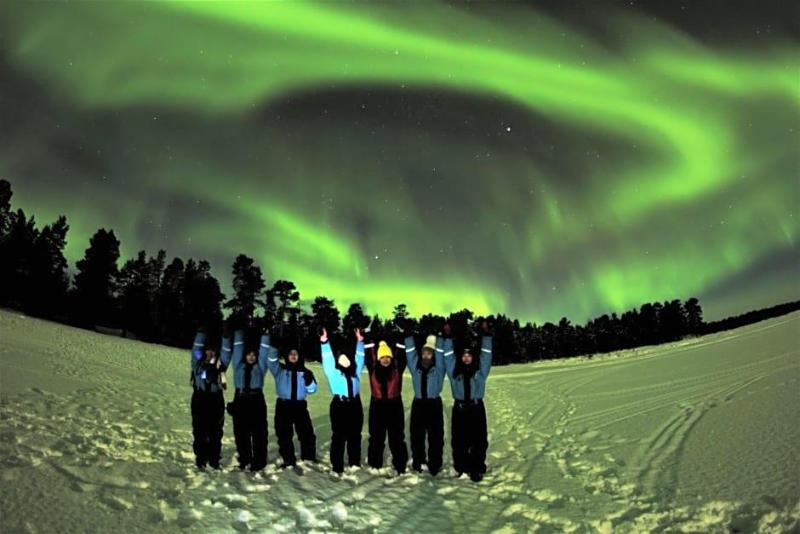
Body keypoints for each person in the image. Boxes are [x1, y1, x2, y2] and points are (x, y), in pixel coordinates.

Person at [444, 320, 493, 482]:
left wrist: (486, 336)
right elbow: (448, 357)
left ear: (472, 357)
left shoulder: (480, 372)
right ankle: (462, 467)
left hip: (476, 408)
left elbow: (486, 355)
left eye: (469, 355)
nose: (466, 358)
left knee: (479, 440)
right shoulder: (454, 372)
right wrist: (448, 338)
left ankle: (477, 468)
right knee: (459, 440)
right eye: (464, 356)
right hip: (459, 409)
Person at [320, 327, 366, 474]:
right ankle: (337, 465)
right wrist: (324, 342)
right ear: (338, 361)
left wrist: (360, 341)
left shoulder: (355, 371)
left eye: (347, 359)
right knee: (339, 437)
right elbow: (327, 359)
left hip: (355, 405)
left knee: (355, 436)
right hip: (339, 406)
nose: (345, 361)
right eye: (341, 359)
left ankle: (354, 462)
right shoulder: (333, 373)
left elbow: (360, 357)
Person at [222, 328, 270, 471]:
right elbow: (238, 348)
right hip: (240, 398)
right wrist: (238, 333)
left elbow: (264, 352)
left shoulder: (260, 367)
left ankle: (259, 461)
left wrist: (266, 336)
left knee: (259, 433)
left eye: (254, 355)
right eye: (249, 354)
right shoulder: (238, 365)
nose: (251, 357)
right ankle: (244, 459)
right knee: (241, 433)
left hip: (257, 400)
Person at [266, 340, 319, 468]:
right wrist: (274, 347)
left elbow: (312, 390)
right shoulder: (280, 369)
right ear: (287, 356)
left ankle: (308, 457)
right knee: (284, 434)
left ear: (299, 356)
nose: (293, 356)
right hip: (283, 406)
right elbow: (271, 361)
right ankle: (288, 459)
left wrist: (309, 382)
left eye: (296, 354)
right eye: (291, 354)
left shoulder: (306, 372)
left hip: (300, 406)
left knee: (306, 433)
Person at [402, 326, 447, 476]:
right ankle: (418, 461)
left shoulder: (439, 368)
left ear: (433, 355)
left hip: (434, 404)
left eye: (429, 353)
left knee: (436, 436)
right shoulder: (415, 367)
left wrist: (440, 337)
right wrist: (408, 336)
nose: (426, 355)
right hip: (419, 404)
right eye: (424, 353)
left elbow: (440, 353)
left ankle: (435, 463)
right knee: (417, 436)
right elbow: (410, 353)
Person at [364, 332, 409, 474]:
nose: (385, 359)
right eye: (382, 357)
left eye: (387, 357)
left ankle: (400, 465)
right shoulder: (373, 368)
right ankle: (375, 464)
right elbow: (369, 354)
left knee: (397, 437)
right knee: (376, 437)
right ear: (378, 358)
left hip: (394, 405)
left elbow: (401, 356)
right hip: (377, 405)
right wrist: (368, 335)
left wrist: (401, 337)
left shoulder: (397, 368)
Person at [190, 329, 228, 470]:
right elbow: (196, 348)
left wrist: (226, 337)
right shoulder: (198, 362)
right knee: (199, 429)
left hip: (215, 399)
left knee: (215, 431)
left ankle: (214, 458)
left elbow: (227, 352)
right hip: (199, 398)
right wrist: (201, 332)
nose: (210, 353)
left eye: (213, 350)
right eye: (208, 350)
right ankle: (201, 457)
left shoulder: (220, 363)